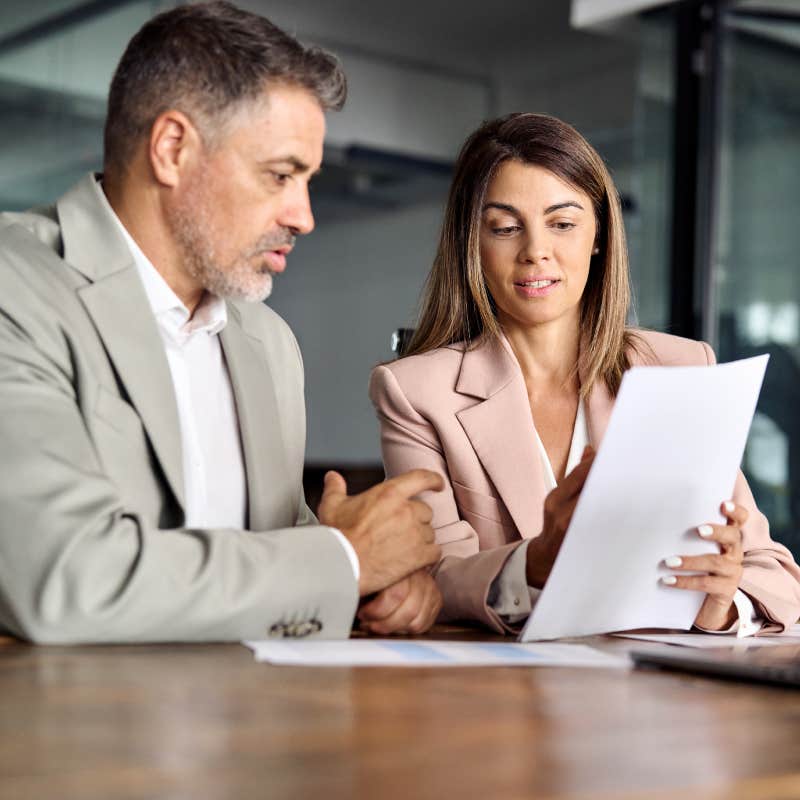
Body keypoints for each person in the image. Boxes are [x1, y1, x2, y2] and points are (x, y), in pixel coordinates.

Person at [0, 1, 445, 644]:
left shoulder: (268, 342)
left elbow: (280, 556)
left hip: (257, 727)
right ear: (173, 149)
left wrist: (377, 583)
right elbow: (67, 576)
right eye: (281, 175)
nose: (304, 216)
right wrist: (344, 561)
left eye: (310, 180)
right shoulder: (17, 287)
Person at [369, 112, 800, 635]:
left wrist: (722, 603)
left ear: (598, 235)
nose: (535, 252)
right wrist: (533, 563)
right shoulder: (417, 393)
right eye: (505, 228)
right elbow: (430, 575)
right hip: (502, 697)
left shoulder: (678, 369)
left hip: (659, 692)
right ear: (472, 245)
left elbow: (775, 573)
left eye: (563, 223)